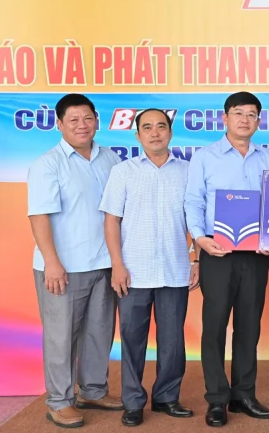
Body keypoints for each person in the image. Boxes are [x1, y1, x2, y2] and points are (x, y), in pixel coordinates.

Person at [27, 93, 124, 429]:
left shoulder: (110, 158)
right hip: (63, 267)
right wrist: (51, 262)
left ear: (97, 120)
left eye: (87, 118)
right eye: (73, 120)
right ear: (59, 124)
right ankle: (59, 401)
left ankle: (93, 391)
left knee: (99, 331)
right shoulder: (48, 164)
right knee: (61, 336)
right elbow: (39, 215)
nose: (82, 125)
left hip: (103, 262)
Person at [184, 91, 269, 428]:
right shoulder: (205, 157)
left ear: (258, 121)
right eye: (238, 113)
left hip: (255, 254)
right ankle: (216, 399)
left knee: (249, 326)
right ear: (224, 118)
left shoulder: (267, 157)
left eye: (251, 114)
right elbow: (193, 201)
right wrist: (200, 239)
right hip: (217, 252)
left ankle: (243, 395)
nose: (244, 120)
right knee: (214, 327)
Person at [99, 109, 197, 427]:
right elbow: (111, 221)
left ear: (170, 132)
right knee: (131, 339)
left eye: (161, 126)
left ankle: (167, 397)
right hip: (133, 271)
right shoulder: (123, 172)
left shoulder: (188, 171)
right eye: (147, 127)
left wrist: (196, 258)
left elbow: (196, 220)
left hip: (175, 269)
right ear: (137, 135)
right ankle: (133, 402)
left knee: (173, 340)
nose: (155, 133)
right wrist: (117, 264)